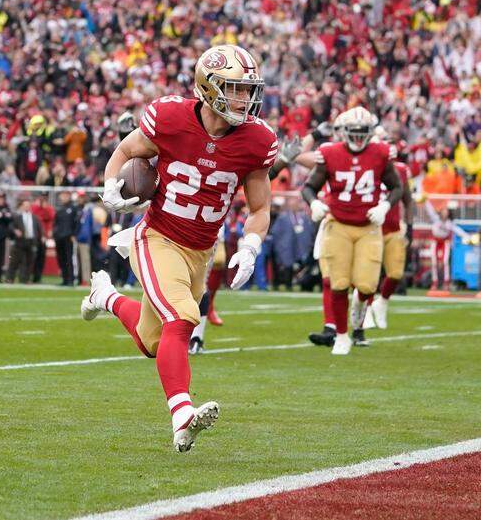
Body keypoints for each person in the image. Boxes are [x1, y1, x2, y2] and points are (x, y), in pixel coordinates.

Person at [80, 44, 276, 453]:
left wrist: (251, 246)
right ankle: (182, 416)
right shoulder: (170, 117)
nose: (244, 99)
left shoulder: (256, 140)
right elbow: (126, 151)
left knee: (153, 342)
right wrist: (111, 185)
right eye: (235, 89)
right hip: (158, 237)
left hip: (200, 251)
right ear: (209, 87)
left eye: (248, 90)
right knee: (183, 316)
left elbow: (260, 208)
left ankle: (105, 297)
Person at [301, 106, 403, 353]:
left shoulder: (380, 152)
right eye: (353, 131)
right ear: (343, 131)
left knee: (367, 286)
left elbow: (397, 187)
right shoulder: (330, 152)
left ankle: (358, 308)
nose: (358, 137)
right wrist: (314, 203)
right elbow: (309, 186)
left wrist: (384, 206)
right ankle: (341, 336)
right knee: (338, 282)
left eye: (363, 131)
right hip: (338, 224)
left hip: (368, 226)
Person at [363, 142, 415, 331]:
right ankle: (366, 309)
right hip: (370, 229)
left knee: (395, 273)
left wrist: (410, 227)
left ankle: (382, 302)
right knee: (369, 276)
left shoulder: (401, 170)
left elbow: (408, 200)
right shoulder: (367, 167)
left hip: (392, 229)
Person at [8, 199, 42, 284]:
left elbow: (39, 229)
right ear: (22, 206)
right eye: (25, 205)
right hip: (20, 241)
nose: (27, 207)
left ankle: (25, 279)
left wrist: (40, 238)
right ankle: (10, 278)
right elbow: (11, 226)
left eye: (28, 205)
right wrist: (15, 231)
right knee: (15, 261)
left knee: (29, 261)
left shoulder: (35, 217)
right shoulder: (17, 217)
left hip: (31, 241)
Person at [53, 190, 79, 286]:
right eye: (62, 196)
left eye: (65, 195)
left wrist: (74, 234)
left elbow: (76, 223)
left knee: (69, 259)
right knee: (61, 258)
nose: (63, 197)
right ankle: (64, 279)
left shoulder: (73, 208)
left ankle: (70, 279)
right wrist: (55, 233)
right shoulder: (59, 209)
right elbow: (56, 223)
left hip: (68, 237)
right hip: (59, 237)